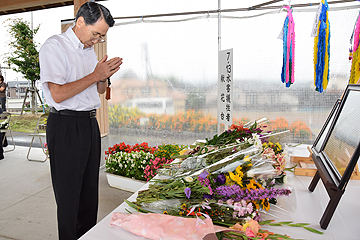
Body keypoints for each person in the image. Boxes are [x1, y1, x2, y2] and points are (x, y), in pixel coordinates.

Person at [39, 2, 122, 240]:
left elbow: (96, 90)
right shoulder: (55, 47)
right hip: (66, 127)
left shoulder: (88, 50)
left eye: (102, 37)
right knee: (69, 199)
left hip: (88, 124)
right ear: (80, 22)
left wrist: (103, 77)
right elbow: (58, 94)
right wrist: (95, 74)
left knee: (88, 196)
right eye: (96, 34)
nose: (97, 40)